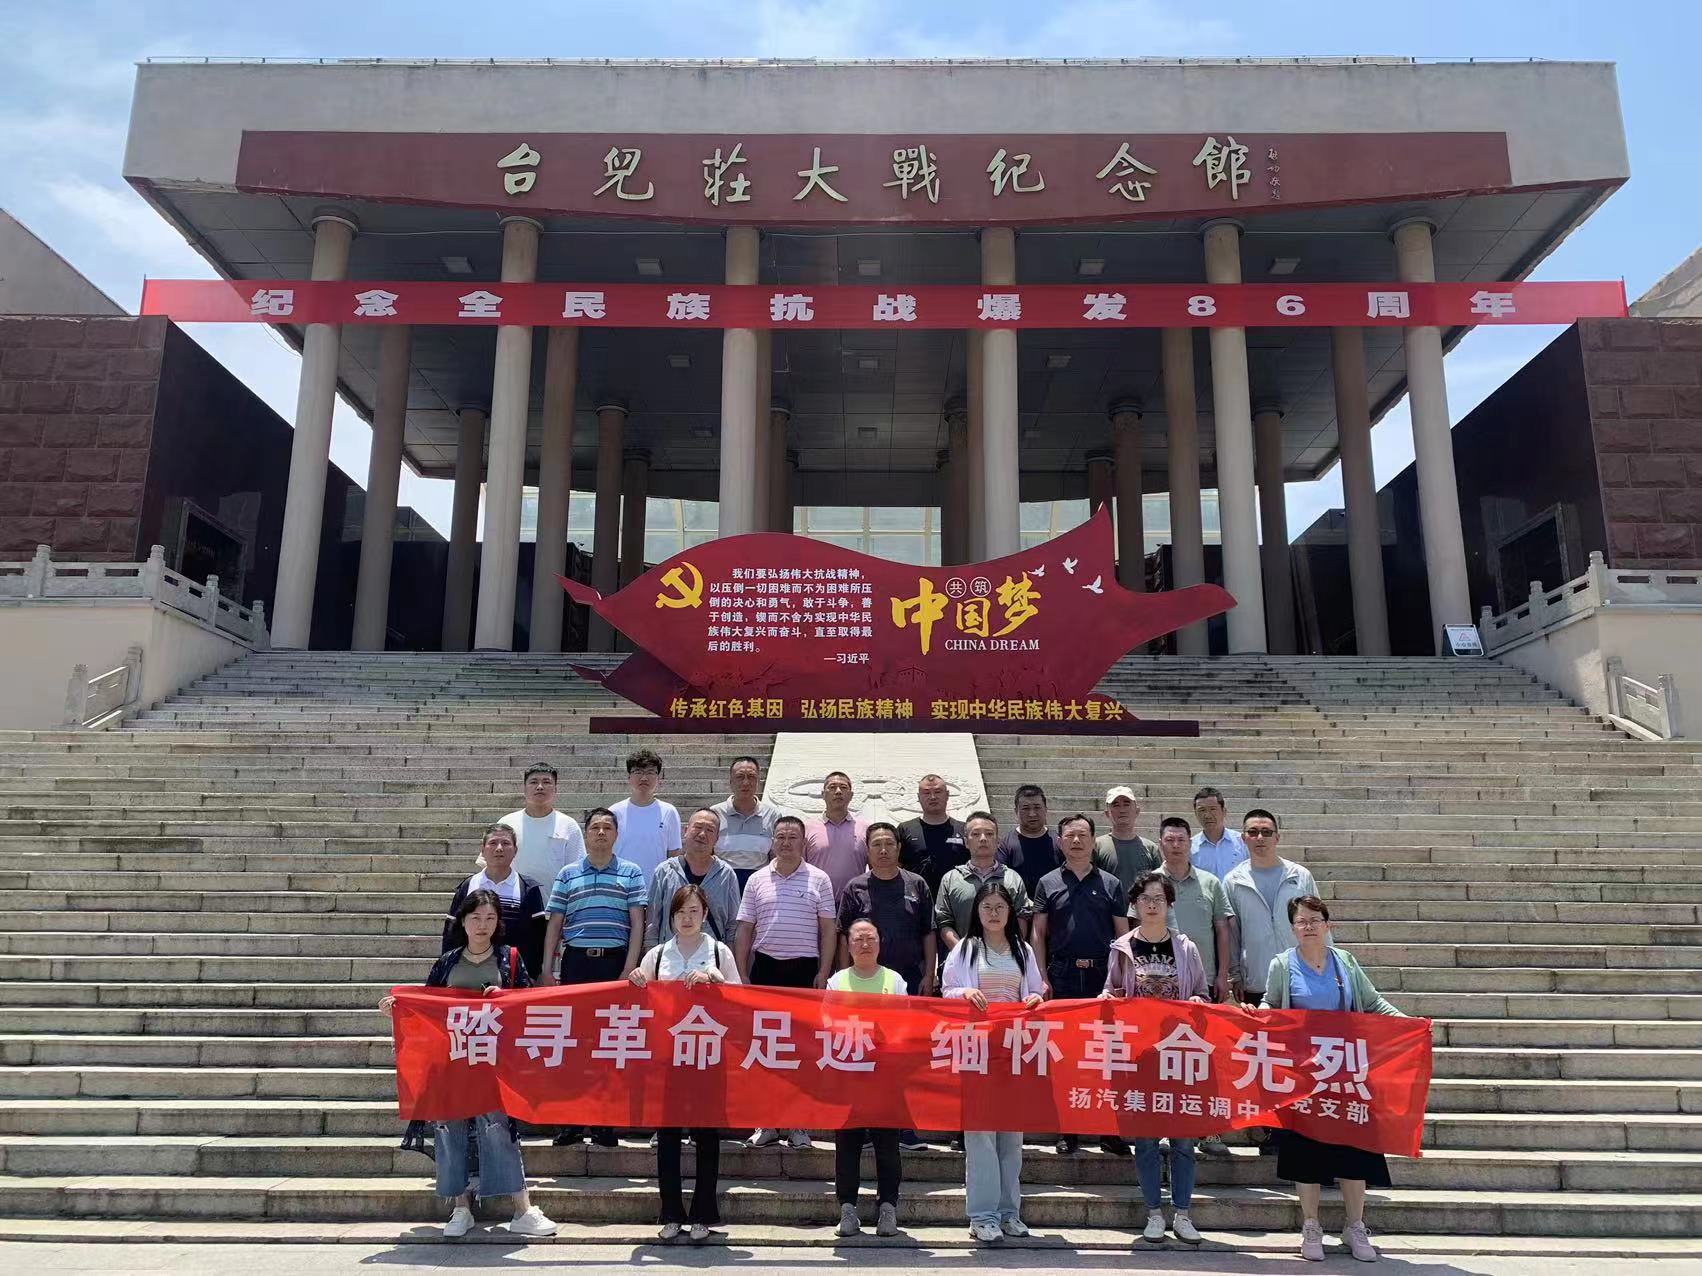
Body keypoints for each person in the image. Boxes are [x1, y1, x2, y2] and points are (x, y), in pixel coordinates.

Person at [381, 890, 557, 1239]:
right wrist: (398, 1011)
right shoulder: (448, 962)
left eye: (490, 918)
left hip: (494, 1063)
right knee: (449, 1130)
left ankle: (522, 1208)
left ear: (498, 923)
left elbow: (527, 1005)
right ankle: (460, 1207)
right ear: (462, 921)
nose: (482, 925)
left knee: (498, 1129)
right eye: (475, 918)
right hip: (451, 1061)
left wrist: (504, 999)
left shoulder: (510, 958)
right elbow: (426, 1007)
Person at [1261, 895, 1404, 1263]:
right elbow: (1271, 1005)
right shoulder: (1282, 965)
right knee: (1305, 1152)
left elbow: (1372, 1003)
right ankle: (1311, 1225)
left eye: (1315, 920)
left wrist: (1409, 1025)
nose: (1308, 926)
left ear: (1327, 925)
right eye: (1301, 921)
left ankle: (1355, 1226)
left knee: (1355, 1150)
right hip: (1304, 1075)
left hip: (1346, 1072)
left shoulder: (1346, 962)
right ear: (1292, 928)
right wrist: (1257, 1014)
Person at [1101, 871, 1209, 1246]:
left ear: (1169, 905)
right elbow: (1110, 992)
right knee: (1146, 1140)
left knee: (1183, 1141)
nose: (1152, 905)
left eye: (1159, 899)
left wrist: (1196, 1001)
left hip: (1179, 1055)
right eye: (1145, 899)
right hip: (1139, 1057)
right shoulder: (1122, 948)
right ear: (1134, 905)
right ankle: (1153, 1213)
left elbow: (1202, 994)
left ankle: (1183, 1213)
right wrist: (1109, 1000)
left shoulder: (1186, 948)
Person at [628, 884, 740, 1242]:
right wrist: (636, 980)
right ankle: (671, 1212)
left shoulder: (719, 952)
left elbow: (740, 998)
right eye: (680, 912)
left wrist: (715, 980)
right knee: (668, 1135)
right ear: (671, 917)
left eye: (693, 911)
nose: (687, 918)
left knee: (707, 1134)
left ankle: (703, 1213)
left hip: (708, 1054)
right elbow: (639, 999)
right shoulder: (658, 954)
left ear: (705, 914)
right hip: (668, 1056)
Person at [941, 878, 1045, 1243]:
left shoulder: (1023, 950)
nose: (994, 913)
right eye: (987, 907)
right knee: (981, 1134)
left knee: (1011, 1135)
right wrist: (965, 991)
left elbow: (1036, 990)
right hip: (977, 1050)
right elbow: (947, 991)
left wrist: (1034, 999)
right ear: (977, 912)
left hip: (1013, 1050)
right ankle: (982, 1216)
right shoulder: (966, 948)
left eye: (1001, 906)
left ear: (1011, 911)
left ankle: (1009, 1213)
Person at [541, 806, 647, 1147]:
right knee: (574, 1044)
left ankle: (604, 1122)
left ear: (616, 834)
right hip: (576, 963)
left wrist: (629, 966)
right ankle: (571, 1121)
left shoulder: (631, 872)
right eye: (595, 828)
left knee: (609, 1044)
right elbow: (555, 923)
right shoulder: (568, 874)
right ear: (585, 834)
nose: (601, 833)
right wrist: (546, 968)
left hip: (613, 964)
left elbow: (637, 923)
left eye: (607, 828)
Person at [1029, 813, 1130, 1156]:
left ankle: (1108, 1131)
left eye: (1083, 835)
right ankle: (1068, 1130)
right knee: (1067, 1055)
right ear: (1059, 841)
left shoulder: (1111, 884)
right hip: (1063, 975)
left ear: (1093, 841)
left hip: (1102, 976)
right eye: (1069, 835)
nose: (1076, 841)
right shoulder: (1048, 882)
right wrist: (1041, 975)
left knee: (1106, 1055)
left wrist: (1121, 978)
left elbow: (1122, 934)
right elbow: (1038, 933)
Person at [734, 815, 836, 1149]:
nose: (786, 842)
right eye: (781, 836)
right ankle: (766, 1122)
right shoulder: (757, 879)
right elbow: (745, 928)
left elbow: (828, 929)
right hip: (765, 970)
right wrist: (742, 972)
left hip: (805, 972)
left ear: (803, 843)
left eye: (793, 837)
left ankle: (798, 1125)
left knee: (801, 1051)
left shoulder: (819, 878)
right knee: (765, 1049)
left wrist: (824, 971)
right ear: (772, 841)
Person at [1155, 814, 1236, 1158]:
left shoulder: (1210, 882)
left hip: (1203, 986)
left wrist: (1223, 973)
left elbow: (1222, 930)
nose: (1176, 846)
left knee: (1205, 1056)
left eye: (1181, 840)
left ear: (1191, 844)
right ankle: (1164, 1128)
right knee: (1162, 1058)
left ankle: (1209, 1128)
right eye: (1169, 840)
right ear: (1160, 844)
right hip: (1159, 987)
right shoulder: (1150, 884)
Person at [826, 918, 906, 1238]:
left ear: (880, 943)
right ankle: (848, 1208)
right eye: (858, 939)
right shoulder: (837, 982)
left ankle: (888, 1207)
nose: (864, 944)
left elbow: (906, 1024)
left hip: (886, 1077)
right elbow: (828, 1025)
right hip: (849, 1076)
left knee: (888, 1146)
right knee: (847, 1145)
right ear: (848, 946)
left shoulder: (894, 981)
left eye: (870, 938)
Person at [1223, 810, 1319, 1008]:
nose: (1260, 837)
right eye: (1253, 832)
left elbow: (1319, 923)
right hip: (1258, 979)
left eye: (1266, 832)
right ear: (1243, 838)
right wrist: (1235, 975)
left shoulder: (1300, 876)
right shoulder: (1233, 881)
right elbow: (1232, 933)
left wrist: (1329, 965)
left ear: (1277, 838)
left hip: (1302, 976)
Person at [836, 822, 936, 995]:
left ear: (898, 848)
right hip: (865, 978)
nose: (883, 850)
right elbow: (844, 936)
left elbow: (928, 932)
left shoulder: (917, 884)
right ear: (867, 850)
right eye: (876, 844)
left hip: (911, 976)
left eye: (889, 844)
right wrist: (844, 977)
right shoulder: (854, 887)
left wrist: (929, 975)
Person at [444, 823, 549, 984]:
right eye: (493, 843)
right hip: (468, 973)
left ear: (515, 850)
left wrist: (531, 975)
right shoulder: (468, 886)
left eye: (506, 843)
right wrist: (448, 970)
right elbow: (452, 932)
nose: (499, 848)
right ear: (482, 850)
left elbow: (538, 937)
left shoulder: (528, 888)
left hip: (514, 976)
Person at [646, 807, 742, 947]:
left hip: (712, 956)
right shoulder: (664, 871)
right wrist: (652, 954)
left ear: (717, 839)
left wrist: (728, 956)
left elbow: (733, 925)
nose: (702, 834)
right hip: (671, 955)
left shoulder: (726, 874)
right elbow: (652, 923)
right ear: (685, 831)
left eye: (710, 830)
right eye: (697, 827)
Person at [935, 811, 1031, 952]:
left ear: (998, 841)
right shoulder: (950, 879)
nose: (983, 838)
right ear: (966, 842)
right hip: (962, 959)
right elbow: (943, 921)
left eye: (989, 834)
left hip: (1004, 957)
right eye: (975, 834)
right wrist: (964, 954)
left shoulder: (1012, 878)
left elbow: (1022, 916)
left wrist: (1008, 951)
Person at [494, 762, 585, 888]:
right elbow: (491, 864)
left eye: (546, 782)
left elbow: (577, 870)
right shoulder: (507, 823)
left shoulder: (569, 825)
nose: (540, 787)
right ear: (524, 789)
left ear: (556, 789)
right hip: (513, 898)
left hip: (555, 898)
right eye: (533, 782)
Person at [611, 747, 681, 887]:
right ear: (629, 777)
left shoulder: (669, 812)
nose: (644, 778)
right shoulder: (614, 812)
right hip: (621, 887)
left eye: (650, 772)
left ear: (658, 777)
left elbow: (674, 854)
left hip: (657, 887)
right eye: (638, 772)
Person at [712, 755, 781, 888]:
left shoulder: (772, 815)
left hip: (760, 885)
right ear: (730, 782)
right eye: (740, 777)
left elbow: (776, 857)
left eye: (751, 777)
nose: (745, 782)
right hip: (722, 885)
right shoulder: (715, 814)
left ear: (758, 781)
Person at [896, 773, 967, 895]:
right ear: (918, 797)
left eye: (938, 792)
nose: (932, 797)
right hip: (916, 900)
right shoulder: (905, 829)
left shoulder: (964, 829)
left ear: (947, 795)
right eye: (926, 793)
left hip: (955, 898)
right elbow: (895, 866)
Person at [804, 771, 870, 899]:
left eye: (843, 787)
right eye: (832, 787)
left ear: (851, 795)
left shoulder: (865, 829)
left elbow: (875, 869)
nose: (838, 791)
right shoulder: (807, 829)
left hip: (855, 902)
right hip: (816, 902)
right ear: (823, 794)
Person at [1092, 785, 1160, 900]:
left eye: (1127, 804)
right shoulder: (1096, 846)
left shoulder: (1151, 848)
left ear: (1137, 811)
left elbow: (1158, 886)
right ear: (1107, 813)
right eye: (1116, 805)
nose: (1122, 810)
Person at [997, 784, 1059, 897]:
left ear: (1046, 809)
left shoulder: (1059, 842)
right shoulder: (1005, 845)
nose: (1032, 814)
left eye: (1037, 807)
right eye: (1025, 808)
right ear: (1016, 811)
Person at [1190, 786, 1248, 882]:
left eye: (1213, 809)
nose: (1207, 815)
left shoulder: (1242, 842)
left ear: (1224, 812)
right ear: (1196, 814)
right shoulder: (1190, 847)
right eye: (1202, 810)